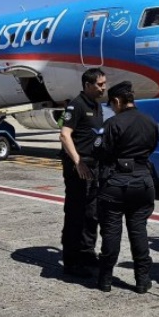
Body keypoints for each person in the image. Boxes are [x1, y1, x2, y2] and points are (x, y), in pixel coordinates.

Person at [93, 81, 159, 293]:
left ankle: (105, 280)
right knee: (139, 230)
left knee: (111, 231)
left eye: (112, 104)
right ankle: (142, 279)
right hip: (143, 181)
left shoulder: (113, 123)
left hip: (117, 182)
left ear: (118, 101)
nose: (112, 108)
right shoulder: (150, 121)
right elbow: (153, 146)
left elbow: (102, 152)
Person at [59, 67, 107, 277]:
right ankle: (71, 259)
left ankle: (87, 253)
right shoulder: (76, 105)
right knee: (76, 214)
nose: (103, 88)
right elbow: (64, 135)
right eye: (99, 85)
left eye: (104, 84)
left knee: (92, 213)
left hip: (94, 167)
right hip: (79, 168)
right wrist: (78, 162)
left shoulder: (97, 106)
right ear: (87, 85)